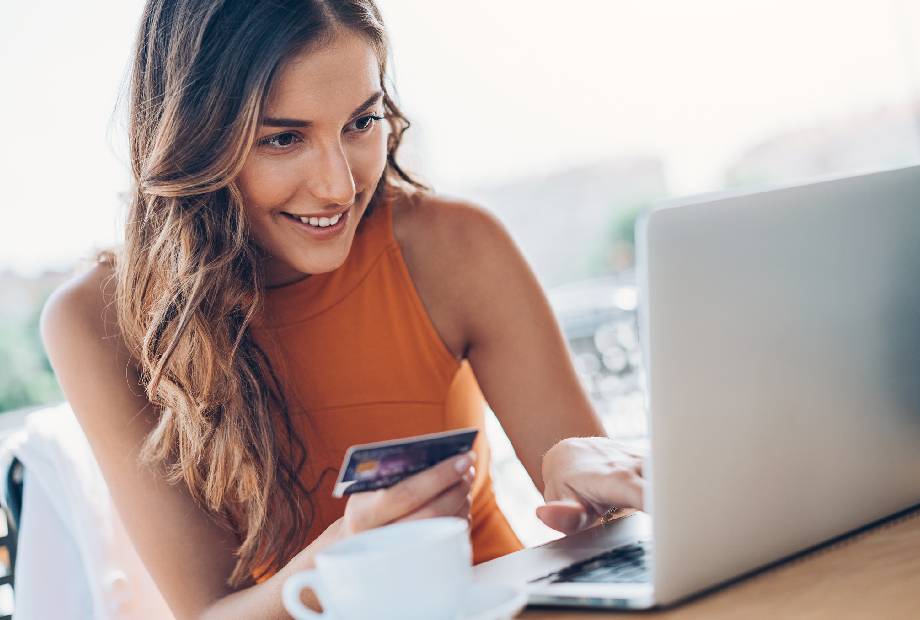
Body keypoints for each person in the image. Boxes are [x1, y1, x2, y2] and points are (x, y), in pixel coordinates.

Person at [40, 1, 646, 617]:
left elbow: (610, 526)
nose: (339, 186)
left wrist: (590, 479)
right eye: (282, 138)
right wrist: (344, 556)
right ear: (193, 141)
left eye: (361, 122)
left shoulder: (454, 246)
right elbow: (207, 613)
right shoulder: (98, 321)